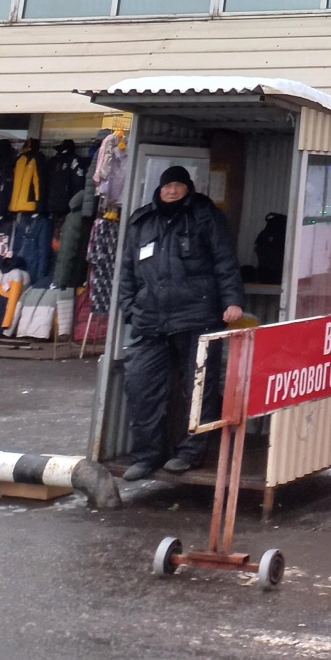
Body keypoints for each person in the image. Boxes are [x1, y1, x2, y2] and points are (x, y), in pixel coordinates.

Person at [119, 166, 244, 480]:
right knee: (141, 387)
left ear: (188, 188)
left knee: (198, 388)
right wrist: (129, 309)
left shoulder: (204, 216)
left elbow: (224, 260)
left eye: (178, 185)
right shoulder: (142, 221)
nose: (172, 191)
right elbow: (127, 271)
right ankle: (146, 456)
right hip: (150, 320)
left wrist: (233, 301)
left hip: (197, 317)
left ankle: (189, 452)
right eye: (167, 186)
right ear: (159, 189)